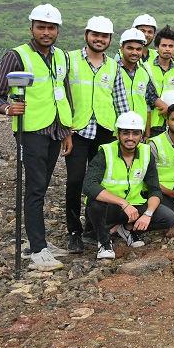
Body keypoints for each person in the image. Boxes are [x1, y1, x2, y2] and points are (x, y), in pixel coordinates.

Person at [0, 3, 73, 271]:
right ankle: (37, 250)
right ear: (32, 29)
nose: (46, 32)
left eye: (51, 28)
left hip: (55, 130)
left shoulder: (61, 57)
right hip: (31, 132)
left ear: (57, 30)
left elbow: (65, 92)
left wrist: (67, 131)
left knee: (43, 186)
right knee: (35, 190)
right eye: (41, 27)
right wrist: (7, 108)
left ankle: (39, 243)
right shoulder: (17, 56)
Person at [64, 16, 130, 253]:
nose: (99, 39)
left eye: (104, 36)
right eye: (95, 35)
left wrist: (125, 132)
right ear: (86, 35)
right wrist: (64, 129)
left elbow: (120, 100)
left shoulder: (114, 66)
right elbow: (60, 94)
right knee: (74, 182)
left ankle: (93, 226)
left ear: (110, 40)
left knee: (101, 182)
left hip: (105, 130)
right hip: (77, 130)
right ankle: (74, 232)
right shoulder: (69, 60)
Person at [82, 111, 174, 260]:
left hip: (134, 207)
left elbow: (154, 189)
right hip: (109, 208)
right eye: (126, 133)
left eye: (135, 133)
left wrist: (148, 214)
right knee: (95, 204)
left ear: (141, 136)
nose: (130, 138)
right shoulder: (106, 152)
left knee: (168, 217)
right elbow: (89, 186)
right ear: (118, 134)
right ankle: (104, 242)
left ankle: (127, 229)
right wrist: (123, 203)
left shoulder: (146, 153)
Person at [116, 28, 158, 138]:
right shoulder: (113, 70)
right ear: (121, 49)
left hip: (138, 130)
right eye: (130, 48)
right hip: (117, 130)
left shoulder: (144, 73)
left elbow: (148, 104)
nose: (134, 52)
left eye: (139, 49)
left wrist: (147, 133)